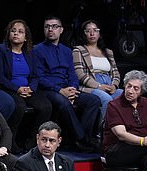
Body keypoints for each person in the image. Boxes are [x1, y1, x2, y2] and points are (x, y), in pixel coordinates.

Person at [33, 16, 101, 152]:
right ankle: (83, 140)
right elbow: (39, 78)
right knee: (63, 102)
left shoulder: (67, 51)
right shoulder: (37, 50)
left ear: (61, 30)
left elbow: (72, 74)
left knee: (93, 100)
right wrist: (60, 90)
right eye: (47, 27)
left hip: (67, 88)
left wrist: (72, 89)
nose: (50, 29)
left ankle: (80, 139)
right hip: (49, 89)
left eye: (54, 26)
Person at [0, 19, 52, 152]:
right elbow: (0, 76)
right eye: (13, 31)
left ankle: (31, 141)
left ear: (25, 37)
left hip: (28, 89)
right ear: (8, 34)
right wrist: (17, 89)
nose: (16, 34)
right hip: (9, 89)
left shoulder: (30, 53)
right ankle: (11, 141)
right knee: (19, 106)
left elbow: (36, 76)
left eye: (20, 32)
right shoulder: (0, 50)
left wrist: (31, 87)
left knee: (45, 106)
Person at [14, 120, 88, 171]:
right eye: (44, 140)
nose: (47, 145)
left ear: (59, 141)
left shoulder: (66, 162)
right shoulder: (24, 164)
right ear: (37, 139)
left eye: (52, 140)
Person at [72, 20, 123, 126]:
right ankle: (102, 132)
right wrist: (99, 86)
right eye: (88, 31)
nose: (92, 33)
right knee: (107, 99)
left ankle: (124, 129)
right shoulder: (78, 50)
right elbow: (80, 74)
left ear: (99, 33)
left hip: (109, 85)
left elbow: (116, 73)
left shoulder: (108, 52)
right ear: (84, 34)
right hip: (92, 86)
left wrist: (114, 85)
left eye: (95, 30)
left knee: (125, 94)